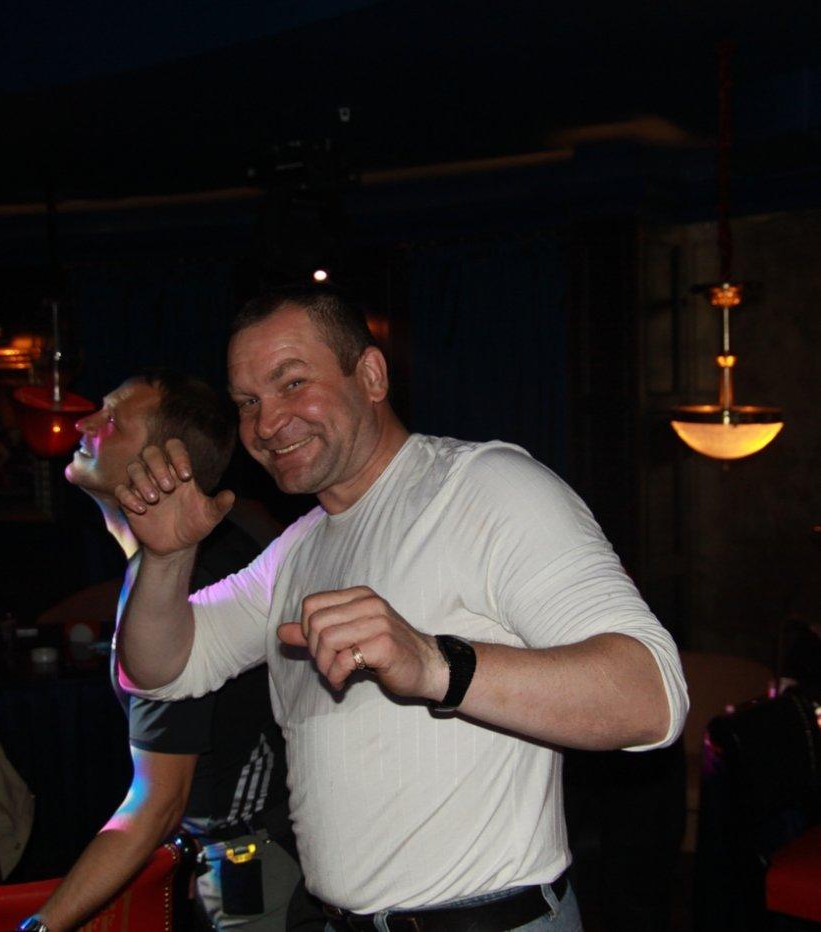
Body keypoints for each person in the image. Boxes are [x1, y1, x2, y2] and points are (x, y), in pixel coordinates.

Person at [114, 288, 689, 931]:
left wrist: (435, 664)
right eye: (248, 402)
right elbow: (160, 670)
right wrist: (165, 560)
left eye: (292, 383)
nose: (266, 424)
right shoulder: (297, 549)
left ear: (371, 375)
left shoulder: (487, 486)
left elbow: (653, 698)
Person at [19, 370, 305, 932]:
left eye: (112, 418)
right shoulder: (196, 554)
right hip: (245, 853)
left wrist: (42, 926)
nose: (83, 423)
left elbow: (157, 805)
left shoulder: (189, 585)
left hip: (253, 865)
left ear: (167, 462)